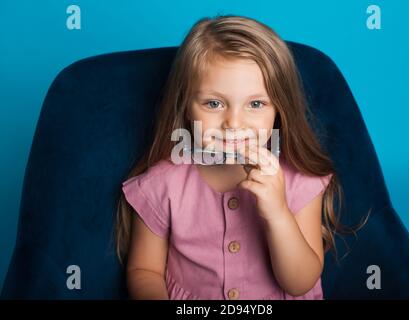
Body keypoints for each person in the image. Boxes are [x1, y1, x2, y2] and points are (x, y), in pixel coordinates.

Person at [116, 15, 349, 300]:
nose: (234, 123)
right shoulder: (164, 183)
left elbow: (300, 282)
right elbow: (145, 270)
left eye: (255, 104)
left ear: (280, 109)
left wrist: (278, 213)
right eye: (214, 103)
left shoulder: (300, 179)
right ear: (186, 106)